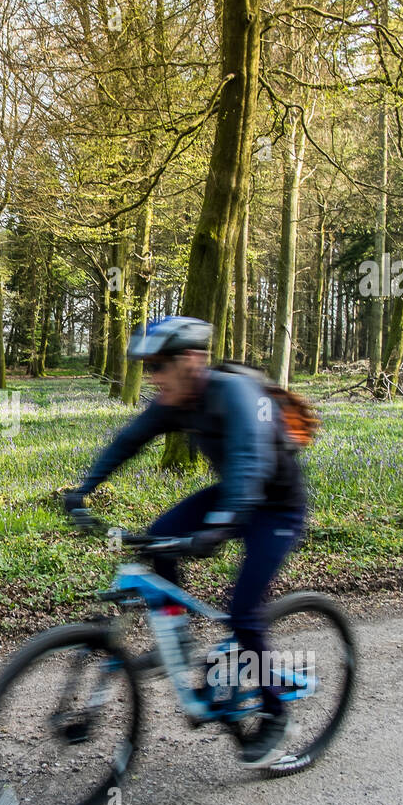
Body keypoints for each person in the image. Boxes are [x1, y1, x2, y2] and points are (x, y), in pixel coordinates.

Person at [63, 316, 308, 768]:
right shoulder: (173, 401)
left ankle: (275, 714)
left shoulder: (236, 394)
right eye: (148, 367)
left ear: (192, 361)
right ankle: (176, 638)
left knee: (242, 611)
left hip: (276, 507)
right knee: (157, 539)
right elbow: (127, 441)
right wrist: (84, 488)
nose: (152, 376)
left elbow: (250, 461)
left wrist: (218, 526)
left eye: (159, 365)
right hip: (232, 495)